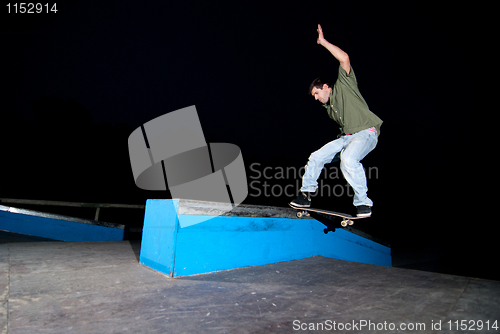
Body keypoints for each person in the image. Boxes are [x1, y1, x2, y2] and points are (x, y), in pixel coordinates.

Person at [290, 24, 383, 217]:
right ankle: (306, 195)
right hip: (346, 138)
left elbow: (344, 58)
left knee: (348, 160)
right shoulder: (329, 108)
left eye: (316, 93)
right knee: (316, 157)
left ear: (326, 86)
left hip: (366, 132)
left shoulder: (344, 85)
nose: (316, 98)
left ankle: (363, 203)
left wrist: (323, 42)